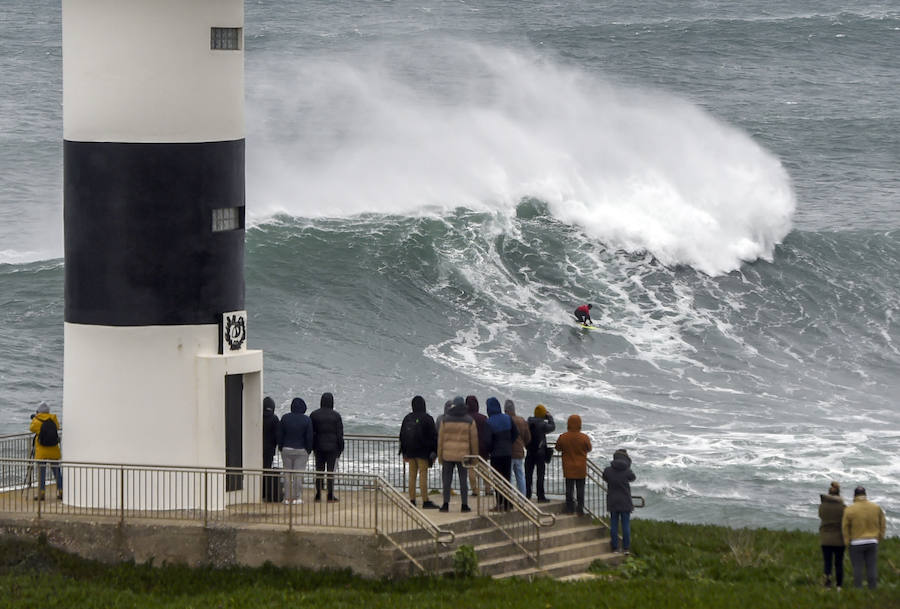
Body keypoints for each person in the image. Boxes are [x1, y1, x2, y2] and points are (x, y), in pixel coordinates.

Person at [437, 396, 478, 513]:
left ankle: (445, 504)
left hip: (447, 455)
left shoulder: (445, 420)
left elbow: (441, 440)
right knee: (463, 481)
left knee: (446, 480)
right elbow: (474, 441)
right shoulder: (469, 420)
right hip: (463, 455)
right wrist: (474, 458)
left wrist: (440, 456)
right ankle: (464, 505)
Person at [842, 486, 886, 589]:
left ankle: (858, 589)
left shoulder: (850, 509)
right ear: (865, 495)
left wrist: (847, 541)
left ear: (854, 495)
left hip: (856, 542)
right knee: (871, 566)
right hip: (872, 541)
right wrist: (879, 537)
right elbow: (882, 523)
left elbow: (845, 527)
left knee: (857, 567)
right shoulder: (875, 507)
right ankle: (873, 589)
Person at [399, 396, 438, 508]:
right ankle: (425, 500)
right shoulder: (427, 418)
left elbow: (402, 436)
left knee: (412, 476)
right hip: (423, 452)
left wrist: (403, 452)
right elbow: (434, 437)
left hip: (410, 452)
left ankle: (412, 500)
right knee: (423, 475)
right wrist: (434, 452)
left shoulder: (407, 418)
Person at [554, 414, 592, 515]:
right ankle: (580, 509)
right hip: (581, 467)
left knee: (569, 489)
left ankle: (569, 508)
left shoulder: (563, 437)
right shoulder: (584, 437)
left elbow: (557, 447)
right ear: (580, 424)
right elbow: (589, 448)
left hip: (568, 467)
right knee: (580, 490)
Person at [279, 397, 314, 504]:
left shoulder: (285, 418)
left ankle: (287, 498)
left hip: (286, 449)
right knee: (298, 475)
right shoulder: (306, 419)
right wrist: (308, 450)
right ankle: (297, 498)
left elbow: (279, 434)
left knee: (287, 475)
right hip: (301, 450)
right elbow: (309, 437)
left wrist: (281, 447)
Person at [310, 392, 344, 502]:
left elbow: (311, 433)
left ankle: (318, 494)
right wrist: (341, 447)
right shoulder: (336, 416)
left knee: (319, 471)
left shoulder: (314, 415)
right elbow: (339, 434)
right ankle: (330, 494)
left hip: (318, 447)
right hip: (333, 448)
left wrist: (312, 446)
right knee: (330, 472)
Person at [486, 397, 518, 511]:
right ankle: (508, 504)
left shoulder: (489, 421)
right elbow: (515, 433)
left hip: (496, 454)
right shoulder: (507, 418)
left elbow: (488, 440)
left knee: (497, 480)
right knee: (506, 478)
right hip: (507, 453)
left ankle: (500, 503)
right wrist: (509, 443)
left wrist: (490, 450)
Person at [602, 449, 636, 554]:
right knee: (625, 525)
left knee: (614, 525)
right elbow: (633, 478)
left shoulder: (608, 470)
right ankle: (626, 548)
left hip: (612, 500)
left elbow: (605, 477)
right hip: (625, 500)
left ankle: (615, 547)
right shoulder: (627, 471)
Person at [29, 401, 62, 501]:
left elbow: (31, 429)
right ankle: (61, 492)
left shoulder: (37, 420)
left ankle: (41, 494)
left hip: (42, 451)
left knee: (41, 473)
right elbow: (58, 427)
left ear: (38, 411)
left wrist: (35, 417)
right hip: (54, 449)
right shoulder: (53, 419)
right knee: (57, 472)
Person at [818, 481, 846, 588]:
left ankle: (827, 585)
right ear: (839, 493)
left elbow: (820, 516)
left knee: (827, 563)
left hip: (825, 539)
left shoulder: (822, 506)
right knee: (839, 563)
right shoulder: (843, 506)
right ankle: (839, 586)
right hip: (839, 539)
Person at [525, 404, 555, 502]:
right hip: (540, 452)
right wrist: (549, 417)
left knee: (528, 475)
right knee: (540, 475)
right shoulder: (542, 424)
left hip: (529, 451)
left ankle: (527, 495)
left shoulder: (528, 422)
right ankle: (540, 496)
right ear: (543, 414)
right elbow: (553, 427)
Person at [504, 399, 531, 496]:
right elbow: (528, 437)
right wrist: (523, 444)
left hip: (508, 452)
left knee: (508, 477)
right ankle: (522, 497)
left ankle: (509, 497)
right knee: (520, 476)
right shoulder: (521, 420)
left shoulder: (506, 420)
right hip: (519, 451)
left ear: (506, 410)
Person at [466, 396, 490, 496]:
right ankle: (488, 489)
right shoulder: (483, 418)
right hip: (483, 447)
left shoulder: (466, 418)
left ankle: (475, 490)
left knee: (471, 469)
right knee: (485, 470)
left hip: (470, 447)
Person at [262, 397, 280, 470]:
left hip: (257, 446)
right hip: (270, 448)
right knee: (267, 467)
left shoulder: (258, 416)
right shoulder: (274, 418)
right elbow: (277, 434)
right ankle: (265, 481)